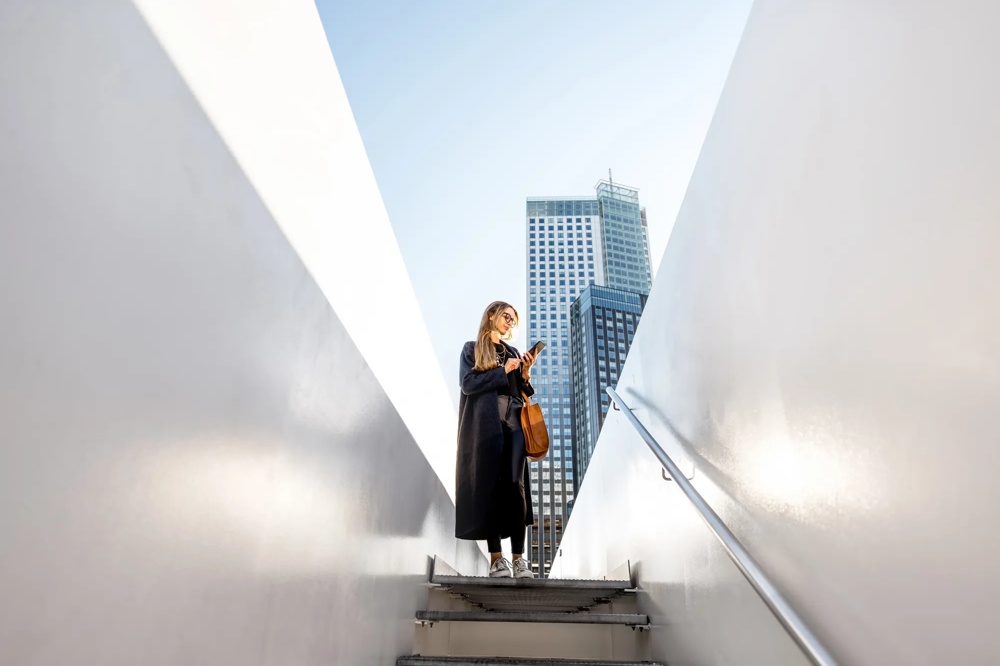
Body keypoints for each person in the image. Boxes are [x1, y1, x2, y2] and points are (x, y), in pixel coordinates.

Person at [455, 301, 538, 578]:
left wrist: (524, 372)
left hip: (514, 419)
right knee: (490, 483)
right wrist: (502, 370)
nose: (509, 322)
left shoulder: (513, 351)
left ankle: (519, 559)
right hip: (486, 421)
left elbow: (523, 391)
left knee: (517, 484)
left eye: (513, 320)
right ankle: (497, 559)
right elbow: (468, 384)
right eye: (506, 316)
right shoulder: (472, 348)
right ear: (491, 315)